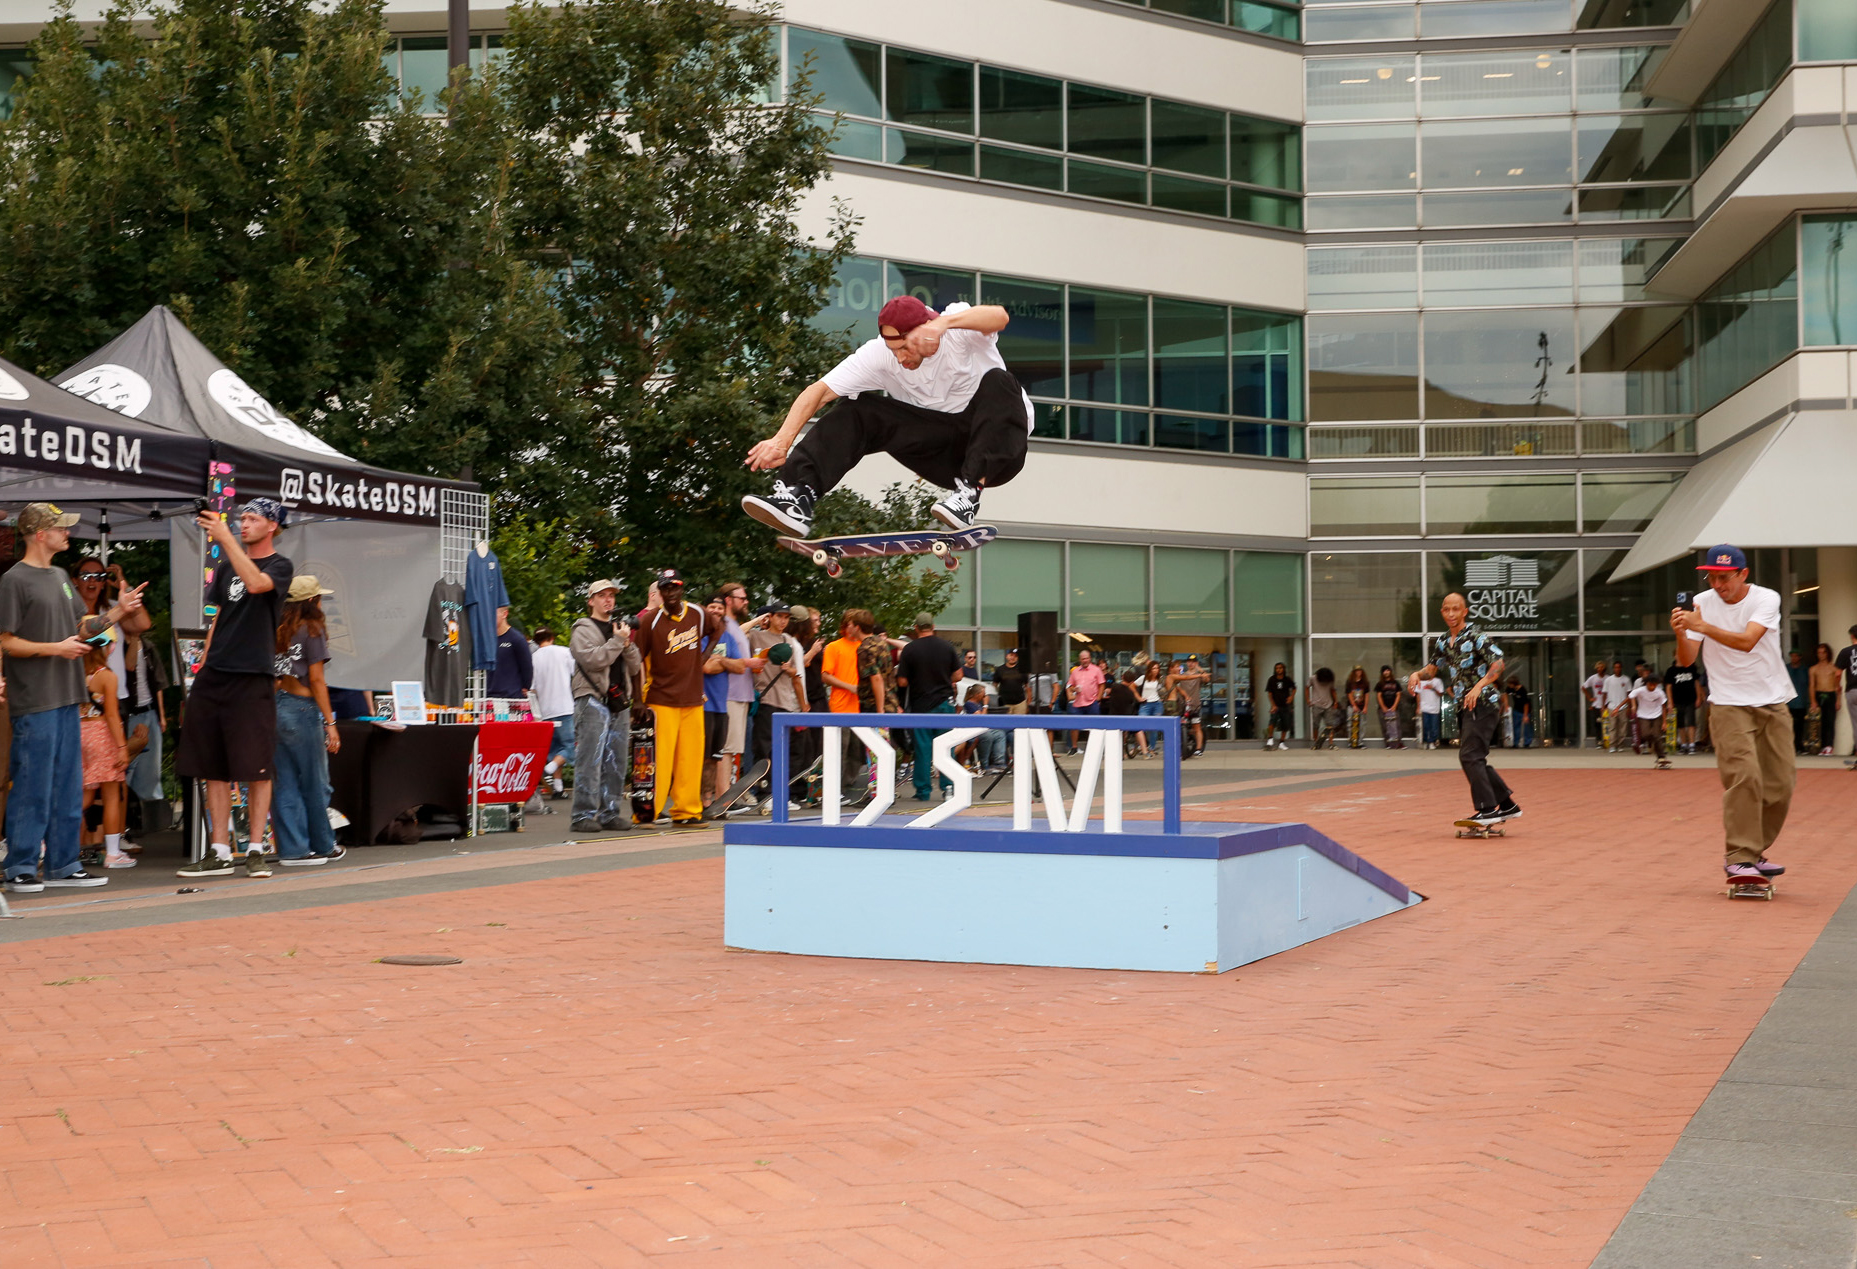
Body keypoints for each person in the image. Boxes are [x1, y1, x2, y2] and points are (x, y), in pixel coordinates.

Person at [743, 296, 1031, 535]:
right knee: (859, 410)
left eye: (906, 348)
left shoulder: (955, 329)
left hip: (1000, 448)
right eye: (894, 350)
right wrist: (781, 441)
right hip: (941, 454)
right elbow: (818, 392)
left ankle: (968, 496)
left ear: (927, 328)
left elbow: (999, 316)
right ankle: (799, 495)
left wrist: (943, 324)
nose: (901, 358)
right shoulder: (879, 355)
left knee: (999, 381)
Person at [176, 498, 293, 880]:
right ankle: (220, 850)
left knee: (257, 765)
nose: (243, 524)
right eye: (241, 519)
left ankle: (256, 849)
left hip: (253, 675)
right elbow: (218, 620)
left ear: (272, 526)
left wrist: (225, 538)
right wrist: (202, 673)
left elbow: (258, 584)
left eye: (253, 519)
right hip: (216, 675)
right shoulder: (226, 568)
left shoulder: (280, 566)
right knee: (213, 765)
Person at [1671, 545, 1795, 884]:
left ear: (1743, 574)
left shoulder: (1765, 599)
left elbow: (1747, 641)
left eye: (1724, 577)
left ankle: (1754, 853)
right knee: (1744, 776)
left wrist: (1703, 626)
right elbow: (1685, 660)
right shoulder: (1701, 603)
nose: (1717, 584)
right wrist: (1683, 631)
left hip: (1772, 699)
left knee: (1780, 785)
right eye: (1711, 576)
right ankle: (1739, 856)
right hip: (1727, 702)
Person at [1408, 593, 1520, 828]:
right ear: (1442, 612)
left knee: (1469, 756)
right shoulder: (1443, 641)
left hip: (1483, 703)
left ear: (1464, 611)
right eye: (1447, 610)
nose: (1451, 614)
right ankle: (1507, 805)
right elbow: (1431, 670)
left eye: (1456, 609)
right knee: (1475, 757)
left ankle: (1487, 809)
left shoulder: (1476, 636)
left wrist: (1479, 686)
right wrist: (1416, 675)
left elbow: (1498, 662)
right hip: (1464, 706)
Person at [271, 574, 344, 865]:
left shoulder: (279, 630)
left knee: (285, 781)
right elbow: (316, 679)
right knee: (316, 782)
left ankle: (293, 849)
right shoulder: (312, 629)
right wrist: (330, 723)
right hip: (303, 708)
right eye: (320, 597)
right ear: (312, 601)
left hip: (278, 706)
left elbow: (275, 676)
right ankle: (324, 845)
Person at [571, 578, 643, 832]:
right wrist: (616, 642)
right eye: (602, 595)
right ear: (591, 600)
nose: (608, 599)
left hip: (618, 699)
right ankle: (582, 816)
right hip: (591, 698)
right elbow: (592, 660)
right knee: (589, 759)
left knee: (616, 761)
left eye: (612, 595)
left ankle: (609, 813)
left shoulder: (618, 629)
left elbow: (635, 666)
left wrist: (625, 642)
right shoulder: (583, 629)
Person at [897, 613, 963, 802]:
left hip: (921, 705)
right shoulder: (947, 646)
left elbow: (902, 682)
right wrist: (942, 679)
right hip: (944, 704)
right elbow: (958, 675)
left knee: (923, 749)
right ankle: (948, 788)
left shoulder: (910, 650)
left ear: (916, 628)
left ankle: (923, 791)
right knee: (946, 747)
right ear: (933, 626)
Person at [79, 642, 132, 869]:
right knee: (112, 794)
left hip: (80, 733)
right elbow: (111, 714)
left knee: (84, 796)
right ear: (104, 647)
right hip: (102, 734)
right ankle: (112, 853)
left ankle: (46, 839)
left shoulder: (75, 673)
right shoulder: (106, 676)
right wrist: (122, 747)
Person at [821, 609, 876, 800]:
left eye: (856, 624)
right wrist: (850, 687)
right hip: (841, 706)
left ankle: (849, 786)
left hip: (862, 708)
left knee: (856, 751)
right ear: (845, 626)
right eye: (850, 623)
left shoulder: (865, 646)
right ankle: (834, 789)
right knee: (839, 750)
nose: (853, 627)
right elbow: (825, 675)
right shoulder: (834, 647)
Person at [529, 627, 575, 797]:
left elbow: (531, 689)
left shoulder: (533, 658)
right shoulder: (564, 652)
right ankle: (550, 768)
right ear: (552, 637)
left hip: (545, 711)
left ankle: (558, 787)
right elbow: (575, 673)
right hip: (564, 706)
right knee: (569, 748)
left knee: (555, 749)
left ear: (536, 640)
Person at [957, 682, 1008, 773]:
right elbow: (981, 719)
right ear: (977, 694)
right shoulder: (970, 704)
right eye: (983, 693)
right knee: (987, 736)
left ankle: (999, 762)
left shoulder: (978, 704)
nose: (985, 695)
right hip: (973, 730)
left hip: (982, 729)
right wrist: (985, 705)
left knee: (999, 734)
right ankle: (985, 764)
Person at [486, 605, 534, 701]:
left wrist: (525, 687)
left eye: (493, 613)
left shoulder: (517, 639)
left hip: (512, 697)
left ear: (505, 614)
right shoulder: (488, 639)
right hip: (490, 697)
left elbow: (527, 667)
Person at [1064, 649, 1105, 755]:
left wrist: (1098, 698)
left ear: (1090, 658)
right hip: (1078, 702)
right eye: (1083, 659)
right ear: (1080, 660)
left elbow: (1101, 684)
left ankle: (1095, 747)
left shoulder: (1096, 670)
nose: (1085, 660)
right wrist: (1074, 690)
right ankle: (1074, 747)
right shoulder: (1075, 671)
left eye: (1086, 658)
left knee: (1095, 725)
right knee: (1074, 725)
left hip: (1092, 701)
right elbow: (1069, 686)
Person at [1169, 657, 1211, 756]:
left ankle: (1198, 748)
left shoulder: (1198, 675)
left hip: (1195, 705)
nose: (1191, 664)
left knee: (1196, 726)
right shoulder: (1182, 675)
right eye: (1189, 662)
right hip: (1183, 705)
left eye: (1193, 662)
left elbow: (1206, 679)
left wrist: (1200, 669)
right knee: (1181, 725)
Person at [1665, 658, 1706, 755]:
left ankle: (1692, 744)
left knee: (1691, 722)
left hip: (1690, 699)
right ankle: (1683, 744)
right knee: (1681, 724)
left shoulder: (1691, 668)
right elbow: (1668, 687)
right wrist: (1670, 701)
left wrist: (1699, 697)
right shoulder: (1671, 670)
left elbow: (1697, 683)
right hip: (1677, 700)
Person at [1629, 670, 1667, 764]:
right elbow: (1631, 695)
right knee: (1645, 734)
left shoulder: (1660, 692)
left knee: (1657, 736)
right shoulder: (1641, 690)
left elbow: (1663, 707)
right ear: (1647, 683)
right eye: (1651, 685)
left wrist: (1664, 722)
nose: (1652, 687)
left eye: (1655, 685)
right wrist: (1634, 705)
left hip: (1657, 715)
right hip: (1643, 715)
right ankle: (1650, 743)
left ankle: (1661, 757)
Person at [1808, 643, 1839, 756]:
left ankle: (1829, 746)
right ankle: (1819, 746)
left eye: (1823, 652)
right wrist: (1813, 701)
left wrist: (1838, 700)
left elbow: (1837, 686)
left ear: (1828, 653)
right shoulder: (1813, 669)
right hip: (1818, 694)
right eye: (1819, 653)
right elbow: (1811, 685)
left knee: (1830, 721)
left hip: (1830, 694)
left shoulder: (1833, 668)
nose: (1821, 655)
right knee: (1817, 723)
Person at [1264, 662, 1295, 751]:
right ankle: (1270, 739)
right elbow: (1269, 693)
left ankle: (1282, 742)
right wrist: (1273, 705)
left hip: (1285, 705)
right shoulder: (1272, 679)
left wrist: (1291, 697)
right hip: (1276, 705)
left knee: (1285, 724)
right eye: (1277, 668)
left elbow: (1294, 688)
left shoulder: (1287, 679)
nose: (1279, 670)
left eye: (1280, 668)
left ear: (1283, 669)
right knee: (1272, 721)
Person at [1135, 661, 1164, 757]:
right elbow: (1132, 686)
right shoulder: (1143, 678)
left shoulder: (1160, 679)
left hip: (1157, 704)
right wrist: (1138, 698)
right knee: (1140, 725)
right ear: (1150, 670)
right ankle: (1139, 746)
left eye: (1157, 668)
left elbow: (1164, 690)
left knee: (1154, 728)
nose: (1156, 670)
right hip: (1145, 704)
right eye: (1154, 668)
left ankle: (1151, 748)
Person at [1602, 661, 1632, 752]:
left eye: (1619, 667)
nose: (1617, 669)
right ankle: (1612, 745)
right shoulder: (1608, 680)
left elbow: (1629, 694)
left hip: (1623, 707)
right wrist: (1603, 706)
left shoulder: (1626, 680)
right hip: (1612, 706)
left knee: (1623, 727)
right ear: (1613, 668)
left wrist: (1629, 707)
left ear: (1621, 668)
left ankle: (1620, 745)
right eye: (1615, 667)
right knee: (1613, 727)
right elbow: (1604, 693)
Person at [1836, 626, 1857, 756]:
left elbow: (1837, 673)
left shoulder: (1846, 652)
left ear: (1852, 636)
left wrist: (1838, 686)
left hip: (1853, 690)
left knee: (1856, 724)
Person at [1308, 667, 1339, 749]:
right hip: (1316, 704)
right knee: (1316, 724)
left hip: (1328, 704)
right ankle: (1316, 742)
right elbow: (1306, 687)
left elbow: (1333, 690)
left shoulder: (1330, 679)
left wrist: (1335, 701)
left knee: (1330, 725)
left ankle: (1331, 743)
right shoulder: (1313, 678)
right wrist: (1308, 700)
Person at [1785, 650, 1810, 753]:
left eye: (1796, 656)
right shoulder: (1786, 668)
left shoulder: (1805, 670)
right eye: (1792, 656)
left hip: (1801, 702)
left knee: (1800, 725)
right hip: (1789, 702)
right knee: (1788, 725)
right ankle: (1790, 746)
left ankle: (1799, 745)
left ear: (1799, 657)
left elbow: (1809, 685)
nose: (1794, 658)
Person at [1374, 666, 1405, 749]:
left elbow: (1398, 695)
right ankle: (1388, 743)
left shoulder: (1395, 683)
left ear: (1390, 672)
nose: (1386, 672)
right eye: (1384, 671)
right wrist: (1383, 707)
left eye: (1388, 670)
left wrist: (1394, 706)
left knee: (1397, 726)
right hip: (1383, 709)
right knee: (1385, 726)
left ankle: (1399, 743)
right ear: (1382, 673)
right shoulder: (1380, 684)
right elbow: (1379, 696)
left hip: (1394, 708)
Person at [992, 648, 1028, 715]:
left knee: (1020, 724)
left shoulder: (1022, 669)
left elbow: (1027, 686)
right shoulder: (999, 669)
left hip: (1020, 703)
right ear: (1007, 656)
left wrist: (1028, 702)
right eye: (1011, 655)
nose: (1013, 657)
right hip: (1004, 703)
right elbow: (994, 685)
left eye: (1015, 656)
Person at [1415, 671, 1445, 750]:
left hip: (1434, 707)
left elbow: (1441, 693)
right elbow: (1418, 695)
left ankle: (1432, 742)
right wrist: (1418, 707)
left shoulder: (1438, 681)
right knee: (1425, 726)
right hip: (1424, 707)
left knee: (1434, 726)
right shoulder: (1420, 682)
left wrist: (1433, 688)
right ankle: (1426, 741)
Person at [1344, 667, 1370, 749]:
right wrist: (1354, 705)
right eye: (1357, 671)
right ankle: (1351, 741)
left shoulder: (1365, 683)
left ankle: (1360, 742)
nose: (1358, 672)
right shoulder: (1350, 682)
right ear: (1354, 672)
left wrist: (1365, 707)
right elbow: (1349, 694)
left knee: (1362, 724)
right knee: (1350, 724)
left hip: (1362, 706)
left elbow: (1367, 695)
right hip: (1352, 706)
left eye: (1360, 671)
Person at [1506, 675, 1533, 749]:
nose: (1509, 686)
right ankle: (1515, 743)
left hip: (1524, 710)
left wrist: (1525, 715)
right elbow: (1505, 694)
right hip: (1516, 710)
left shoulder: (1522, 690)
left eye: (1510, 684)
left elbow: (1526, 704)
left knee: (1526, 727)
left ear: (1514, 684)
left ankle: (1527, 742)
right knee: (1516, 727)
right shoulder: (1511, 689)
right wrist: (1506, 704)